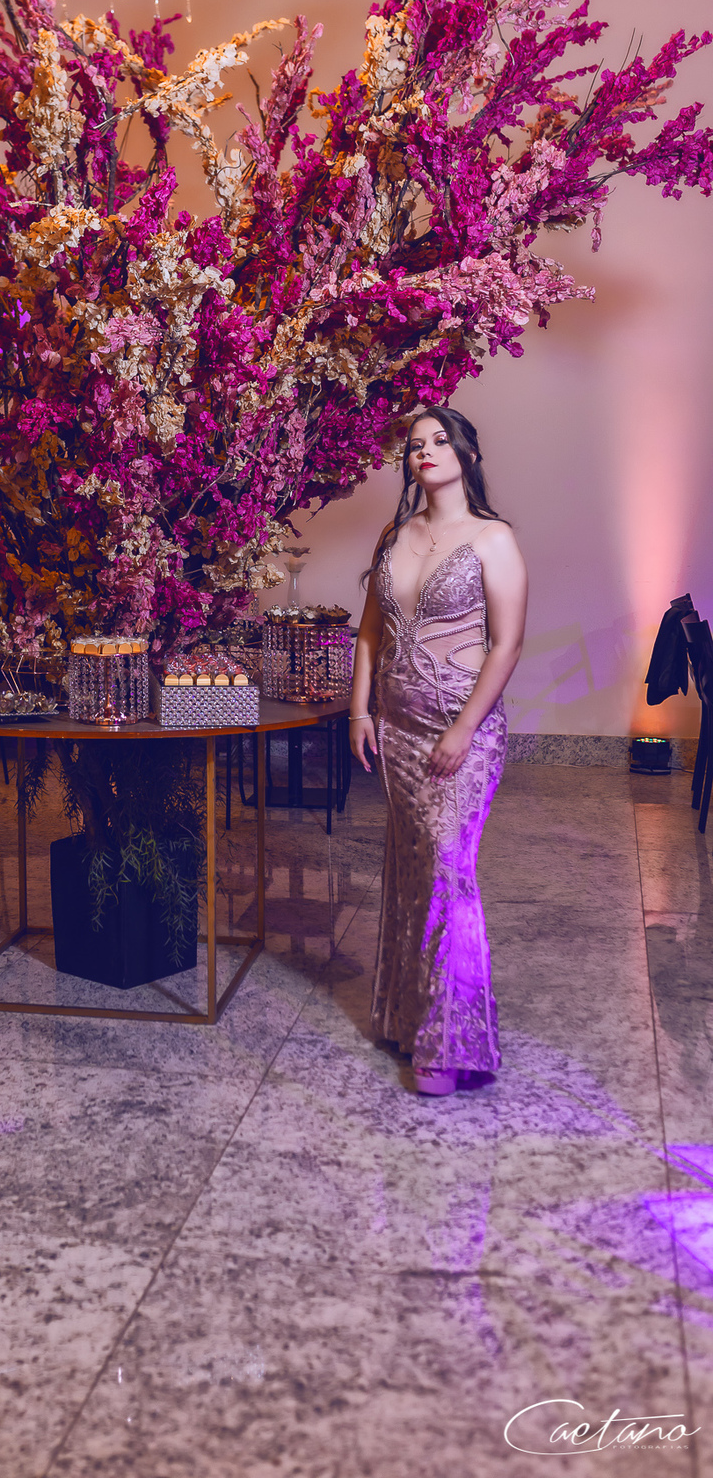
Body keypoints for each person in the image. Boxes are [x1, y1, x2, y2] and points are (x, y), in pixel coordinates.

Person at [349, 408, 526, 1097]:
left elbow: (507, 645)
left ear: (468, 453)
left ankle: (451, 1044)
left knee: (450, 874)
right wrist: (360, 710)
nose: (424, 451)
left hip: (461, 730)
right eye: (415, 445)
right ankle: (407, 1017)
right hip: (395, 728)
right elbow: (370, 632)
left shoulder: (492, 538)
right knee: (412, 868)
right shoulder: (395, 535)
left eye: (439, 440)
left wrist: (462, 731)